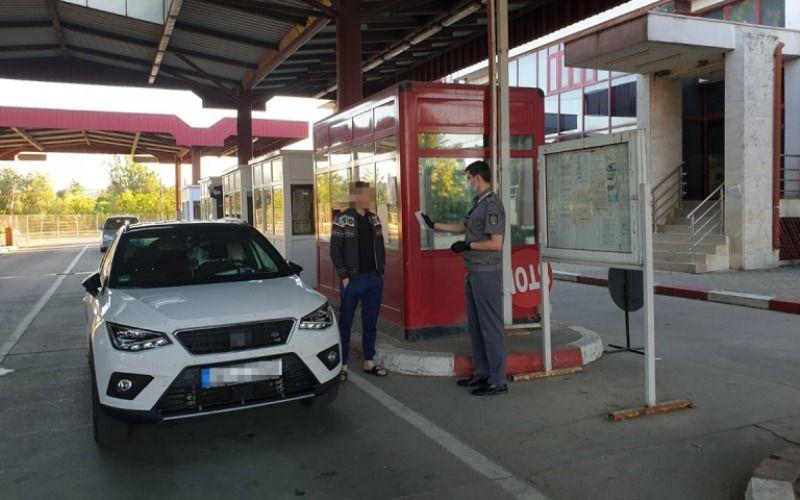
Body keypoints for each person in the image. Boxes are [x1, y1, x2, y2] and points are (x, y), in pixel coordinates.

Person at [420, 160, 508, 396]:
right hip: (473, 271)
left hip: (486, 272)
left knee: (491, 327)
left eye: (469, 178)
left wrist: (468, 245)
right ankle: (482, 373)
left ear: (477, 178)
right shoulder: (478, 203)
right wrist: (434, 225)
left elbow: (496, 243)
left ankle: (498, 381)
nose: (468, 183)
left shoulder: (492, 205)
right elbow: (463, 227)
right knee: (476, 326)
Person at [330, 181, 387, 382]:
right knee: (346, 322)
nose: (367, 198)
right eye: (363, 194)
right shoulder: (342, 219)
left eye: (369, 194)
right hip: (352, 279)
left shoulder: (374, 219)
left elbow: (380, 246)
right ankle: (343, 364)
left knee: (370, 322)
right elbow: (335, 249)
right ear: (354, 197)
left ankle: (369, 361)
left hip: (373, 278)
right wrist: (344, 276)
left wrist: (381, 272)